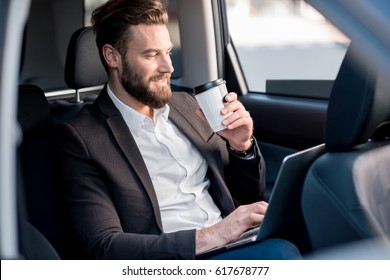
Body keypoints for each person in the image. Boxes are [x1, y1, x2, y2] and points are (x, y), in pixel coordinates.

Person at [55, 0, 301, 260]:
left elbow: (247, 195)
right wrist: (215, 234)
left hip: (233, 243)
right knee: (282, 255)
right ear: (112, 56)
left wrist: (241, 147)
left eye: (168, 52)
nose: (168, 67)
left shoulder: (186, 104)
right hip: (176, 260)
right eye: (151, 55)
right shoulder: (81, 138)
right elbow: (103, 247)